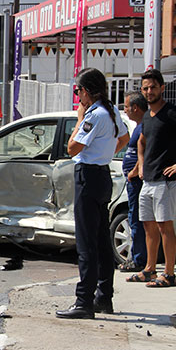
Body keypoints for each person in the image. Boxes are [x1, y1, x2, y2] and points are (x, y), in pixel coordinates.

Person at [56, 68, 129, 319]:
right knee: (101, 241)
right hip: (102, 174)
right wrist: (105, 152)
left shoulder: (93, 115)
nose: (78, 96)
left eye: (78, 91)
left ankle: (83, 301)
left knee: (87, 243)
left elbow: (72, 148)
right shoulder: (111, 110)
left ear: (86, 91)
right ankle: (103, 297)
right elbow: (124, 137)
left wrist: (78, 120)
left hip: (88, 175)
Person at [127, 69, 176, 288]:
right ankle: (150, 269)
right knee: (148, 226)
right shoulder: (148, 117)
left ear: (162, 88)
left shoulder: (171, 112)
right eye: (146, 88)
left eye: (153, 87)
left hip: (165, 181)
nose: (150, 91)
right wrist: (140, 165)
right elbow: (141, 141)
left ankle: (169, 273)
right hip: (148, 180)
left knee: (164, 227)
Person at [118, 91, 148, 273]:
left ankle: (138, 260)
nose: (125, 110)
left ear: (135, 108)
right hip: (133, 181)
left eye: (126, 106)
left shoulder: (145, 126)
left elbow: (145, 150)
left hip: (137, 182)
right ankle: (137, 257)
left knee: (136, 219)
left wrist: (134, 172)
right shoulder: (138, 126)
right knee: (133, 218)